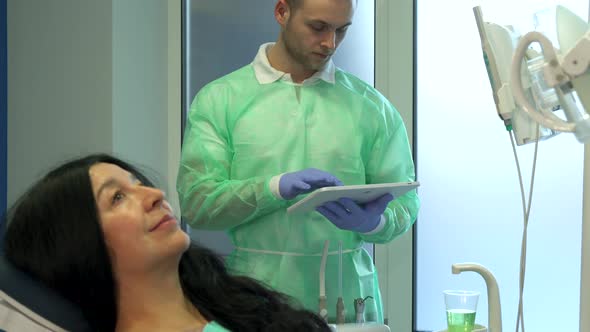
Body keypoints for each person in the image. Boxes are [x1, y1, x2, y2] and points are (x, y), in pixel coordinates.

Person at [177, 0, 420, 323]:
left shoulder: (371, 107)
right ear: (282, 12)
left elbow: (405, 201)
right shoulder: (222, 100)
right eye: (318, 27)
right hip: (256, 296)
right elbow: (197, 202)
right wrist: (272, 189)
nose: (330, 43)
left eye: (341, 30)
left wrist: (373, 223)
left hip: (348, 297)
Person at [3, 154, 331, 332]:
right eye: (117, 198)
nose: (155, 194)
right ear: (80, 245)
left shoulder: (236, 304)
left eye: (139, 184)